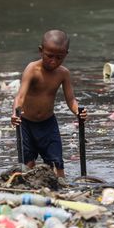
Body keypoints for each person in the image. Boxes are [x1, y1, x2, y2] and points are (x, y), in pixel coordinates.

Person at [11, 29, 87, 180]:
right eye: (49, 56)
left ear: (66, 54)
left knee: (57, 165)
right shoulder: (32, 69)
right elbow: (20, 96)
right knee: (28, 165)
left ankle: (61, 190)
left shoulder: (63, 73)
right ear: (41, 51)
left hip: (48, 124)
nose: (54, 61)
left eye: (59, 57)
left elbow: (71, 99)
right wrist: (15, 114)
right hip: (26, 123)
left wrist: (78, 111)